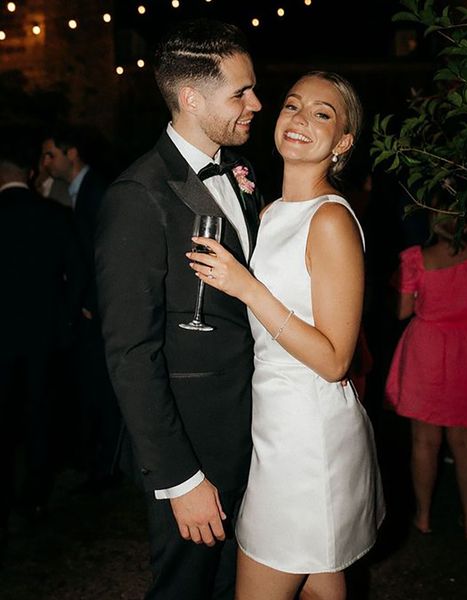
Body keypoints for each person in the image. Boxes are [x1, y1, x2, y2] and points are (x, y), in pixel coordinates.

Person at [187, 71, 385, 600]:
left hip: (306, 436)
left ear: (343, 142)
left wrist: (247, 288)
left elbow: (336, 359)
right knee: (321, 580)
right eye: (293, 106)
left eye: (322, 113)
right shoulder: (272, 212)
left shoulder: (330, 221)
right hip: (275, 423)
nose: (299, 119)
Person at [95, 19, 262, 600]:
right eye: (241, 91)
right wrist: (179, 477)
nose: (256, 103)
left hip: (250, 427)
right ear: (191, 97)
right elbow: (130, 352)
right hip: (190, 441)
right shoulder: (138, 195)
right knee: (184, 588)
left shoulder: (241, 177)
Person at [385, 211, 467, 541]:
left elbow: (403, 311)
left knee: (424, 441)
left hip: (427, 349)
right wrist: (465, 325)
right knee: (466, 444)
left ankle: (423, 516)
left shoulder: (416, 259)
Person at [0, 130, 83, 537]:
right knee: (38, 417)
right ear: (30, 173)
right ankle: (34, 496)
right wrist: (64, 324)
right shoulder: (54, 215)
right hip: (42, 339)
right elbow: (76, 276)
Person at [41, 127, 120, 491]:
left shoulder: (97, 192)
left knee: (101, 388)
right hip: (86, 308)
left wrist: (91, 303)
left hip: (100, 311)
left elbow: (106, 252)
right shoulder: (72, 192)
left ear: (71, 154)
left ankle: (105, 467)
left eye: (50, 155)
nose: (46, 163)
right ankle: (94, 460)